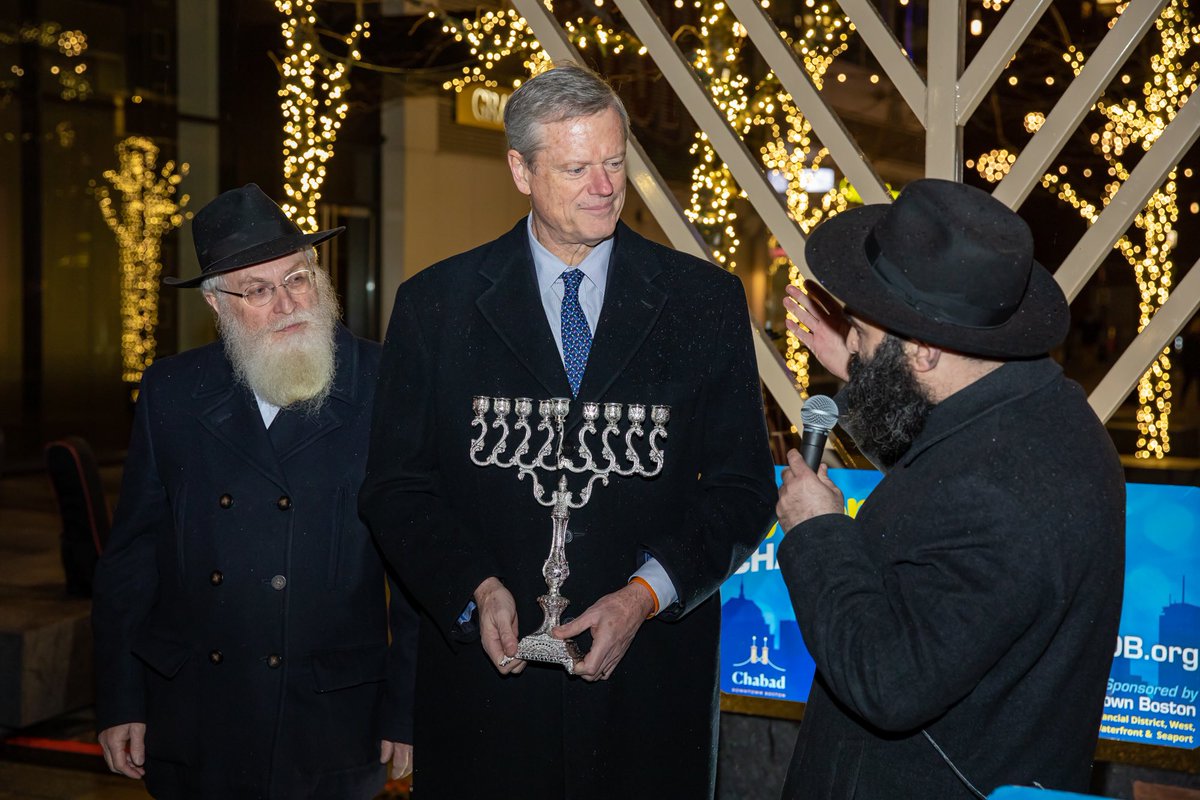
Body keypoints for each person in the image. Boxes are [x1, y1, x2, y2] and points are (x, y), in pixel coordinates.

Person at [358, 63, 776, 798]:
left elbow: (742, 490)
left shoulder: (703, 302)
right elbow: (396, 487)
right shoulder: (436, 305)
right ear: (520, 169)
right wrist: (473, 587)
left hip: (649, 691)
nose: (605, 186)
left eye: (614, 162)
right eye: (577, 167)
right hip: (490, 695)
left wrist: (645, 595)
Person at [776, 178, 1125, 798]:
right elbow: (942, 472)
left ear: (926, 352)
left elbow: (889, 682)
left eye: (862, 330)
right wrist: (865, 367)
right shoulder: (1034, 416)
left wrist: (818, 532)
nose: (851, 338)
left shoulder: (1010, 493)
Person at [92, 184, 417, 799]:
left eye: (297, 278)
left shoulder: (383, 382)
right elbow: (130, 562)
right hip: (198, 709)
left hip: (330, 711)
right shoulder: (172, 390)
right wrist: (120, 697)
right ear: (217, 305)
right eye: (258, 289)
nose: (286, 302)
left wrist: (407, 707)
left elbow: (414, 569)